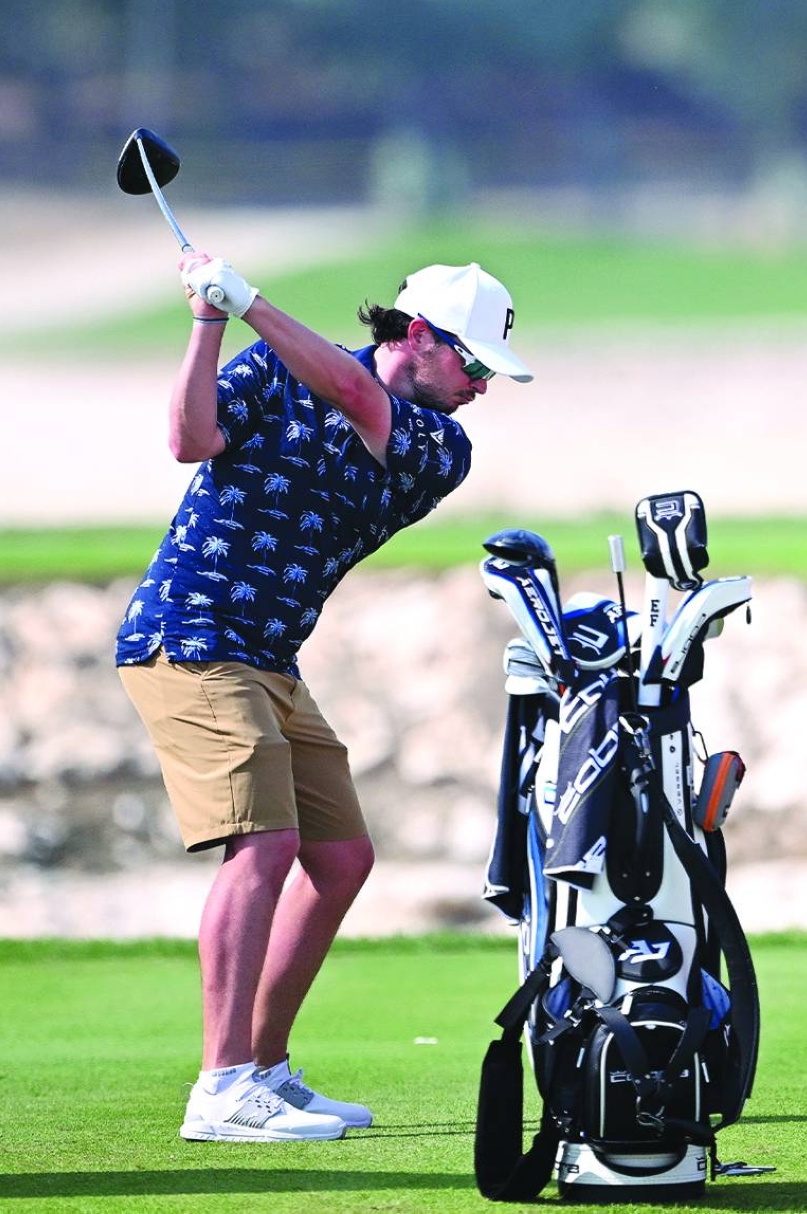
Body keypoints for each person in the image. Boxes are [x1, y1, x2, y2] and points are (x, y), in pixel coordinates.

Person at [116, 252, 533, 1142]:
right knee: (265, 844)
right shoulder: (273, 364)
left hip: (270, 653)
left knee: (340, 858)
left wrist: (251, 301)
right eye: (476, 365)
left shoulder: (440, 445)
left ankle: (264, 1066)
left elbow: (353, 393)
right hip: (190, 634)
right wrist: (209, 322)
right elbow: (191, 440)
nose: (483, 388)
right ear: (418, 336)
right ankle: (222, 1085)